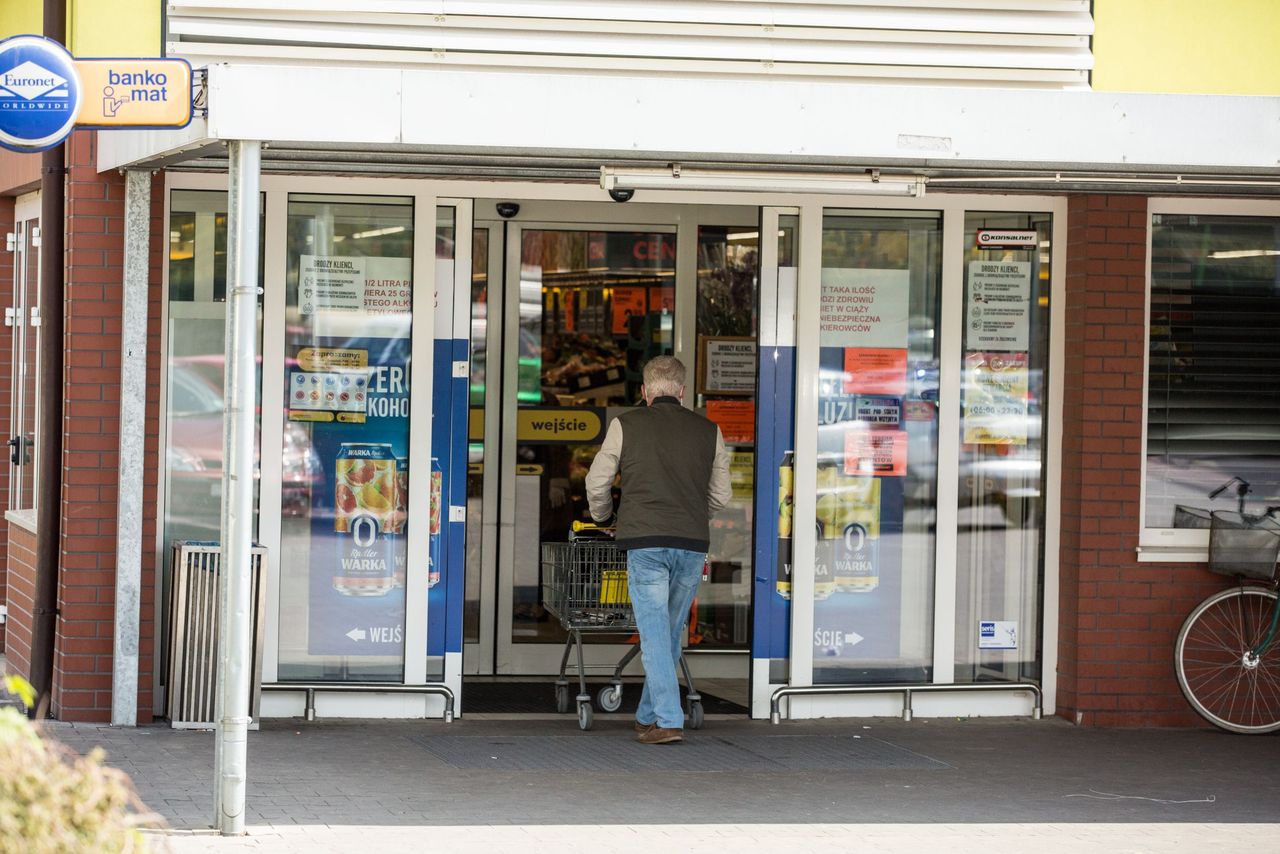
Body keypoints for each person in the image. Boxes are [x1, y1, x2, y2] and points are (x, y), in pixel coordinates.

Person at [585, 355, 731, 744]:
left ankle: (668, 719)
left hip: (645, 543)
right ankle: (648, 714)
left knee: (653, 634)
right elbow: (722, 494)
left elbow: (596, 481)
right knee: (666, 632)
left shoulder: (624, 425)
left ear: (645, 391)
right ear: (682, 392)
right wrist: (694, 513)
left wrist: (604, 517)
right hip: (691, 543)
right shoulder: (709, 430)